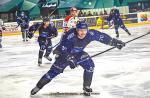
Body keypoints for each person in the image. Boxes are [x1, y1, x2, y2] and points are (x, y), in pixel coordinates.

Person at [30, 21, 126, 96]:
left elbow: (103, 37)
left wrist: (115, 42)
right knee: (52, 73)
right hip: (64, 55)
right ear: (76, 29)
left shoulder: (90, 34)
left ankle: (86, 87)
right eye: (80, 30)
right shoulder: (70, 35)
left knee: (90, 66)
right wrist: (70, 59)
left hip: (78, 54)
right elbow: (63, 49)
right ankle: (37, 87)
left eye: (84, 30)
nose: (82, 33)